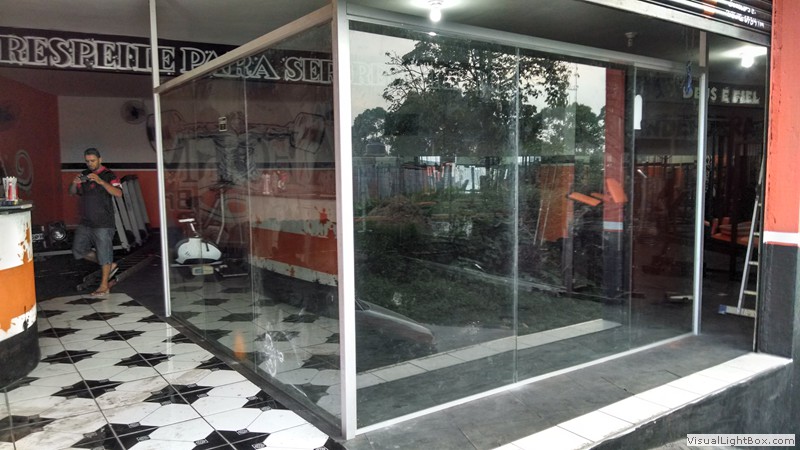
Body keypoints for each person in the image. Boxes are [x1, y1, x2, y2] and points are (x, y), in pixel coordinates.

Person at [69, 148, 123, 296]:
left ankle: (104, 286)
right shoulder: (84, 174)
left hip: (103, 222)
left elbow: (118, 193)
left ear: (100, 159)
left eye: (93, 161)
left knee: (104, 253)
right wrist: (74, 183)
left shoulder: (109, 175)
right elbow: (72, 192)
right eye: (87, 161)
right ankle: (110, 265)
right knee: (78, 250)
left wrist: (101, 181)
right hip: (86, 221)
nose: (90, 163)